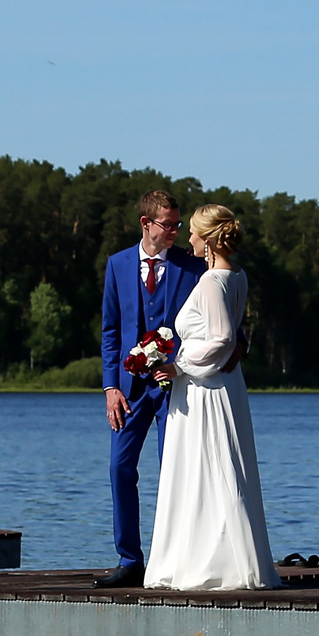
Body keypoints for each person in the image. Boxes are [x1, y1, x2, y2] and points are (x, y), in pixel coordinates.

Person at [144, 203, 277, 592]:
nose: (188, 238)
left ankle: (213, 564)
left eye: (192, 232)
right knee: (217, 468)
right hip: (225, 383)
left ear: (208, 238)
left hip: (205, 388)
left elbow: (222, 338)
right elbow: (228, 338)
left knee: (207, 469)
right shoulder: (237, 276)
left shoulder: (211, 282)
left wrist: (179, 366)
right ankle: (218, 556)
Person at [94, 189, 207, 588]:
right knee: (119, 467)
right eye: (168, 224)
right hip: (129, 390)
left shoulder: (192, 267)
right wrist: (110, 387)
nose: (175, 231)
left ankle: (172, 560)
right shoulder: (118, 264)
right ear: (146, 224)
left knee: (172, 473)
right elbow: (110, 331)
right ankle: (130, 559)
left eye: (178, 224)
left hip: (176, 388)